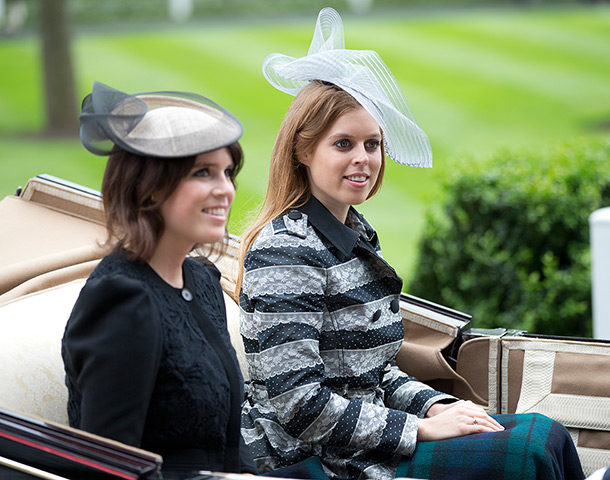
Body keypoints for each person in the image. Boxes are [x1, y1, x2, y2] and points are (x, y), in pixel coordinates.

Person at [236, 8, 584, 480]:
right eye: (343, 144)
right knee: (527, 455)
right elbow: (299, 404)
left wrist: (436, 406)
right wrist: (417, 429)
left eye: (373, 144)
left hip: (367, 440)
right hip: (316, 461)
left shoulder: (354, 232)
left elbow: (374, 373)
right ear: (303, 151)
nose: (363, 159)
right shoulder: (285, 251)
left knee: (548, 433)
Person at [62, 81, 255, 476]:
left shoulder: (201, 281)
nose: (226, 190)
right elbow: (108, 468)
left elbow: (227, 444)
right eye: (203, 173)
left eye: (228, 172)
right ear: (149, 189)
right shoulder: (122, 301)